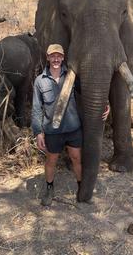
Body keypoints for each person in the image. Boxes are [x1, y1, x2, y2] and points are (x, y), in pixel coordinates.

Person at [31, 44, 110, 206]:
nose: (56, 59)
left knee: (76, 158)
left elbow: (90, 92)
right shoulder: (40, 81)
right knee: (51, 161)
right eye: (52, 56)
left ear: (63, 57)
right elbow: (36, 108)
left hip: (73, 128)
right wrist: (38, 132)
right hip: (52, 131)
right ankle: (49, 188)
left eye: (58, 56)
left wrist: (105, 104)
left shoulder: (71, 76)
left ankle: (81, 188)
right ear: (47, 58)